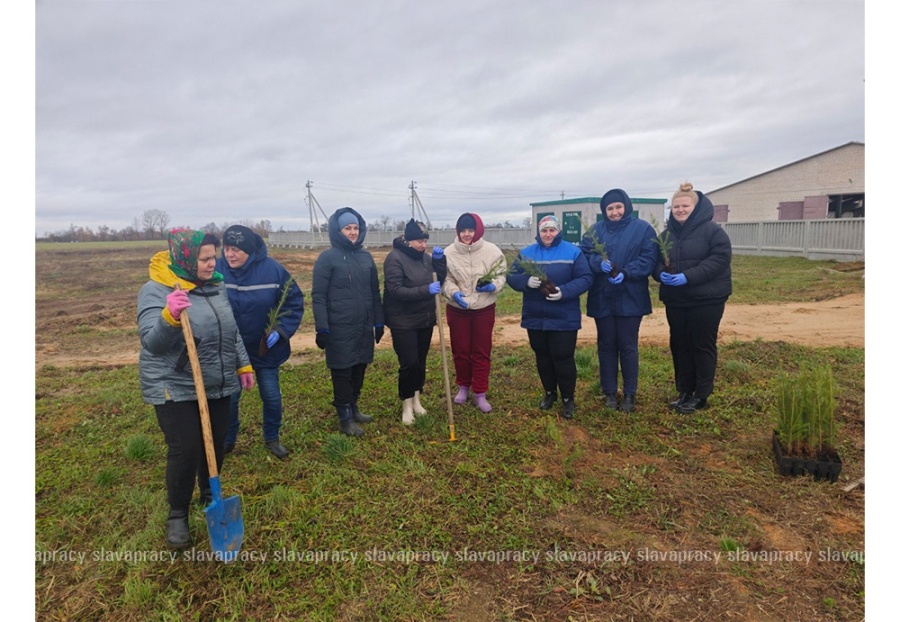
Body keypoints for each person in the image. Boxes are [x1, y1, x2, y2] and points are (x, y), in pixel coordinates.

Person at [137, 228, 254, 549]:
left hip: (216, 379)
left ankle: (209, 495)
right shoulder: (156, 289)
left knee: (215, 443)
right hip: (174, 383)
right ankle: (177, 515)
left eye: (213, 257)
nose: (211, 263)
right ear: (186, 258)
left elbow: (230, 329)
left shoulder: (215, 286)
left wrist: (242, 363)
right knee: (186, 448)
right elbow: (152, 343)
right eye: (204, 258)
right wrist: (169, 315)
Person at [216, 225, 305, 459]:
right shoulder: (216, 271)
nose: (229, 254)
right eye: (226, 249)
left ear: (249, 250)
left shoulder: (273, 270)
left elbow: (293, 301)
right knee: (231, 398)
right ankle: (227, 439)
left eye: (235, 249)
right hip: (231, 350)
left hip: (265, 349)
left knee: (271, 395)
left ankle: (272, 437)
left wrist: (281, 330)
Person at [653, 182, 732, 414]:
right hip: (677, 300)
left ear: (695, 207)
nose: (679, 210)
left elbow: (719, 259)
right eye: (676, 206)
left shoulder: (712, 231)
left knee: (701, 345)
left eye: (684, 206)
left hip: (707, 299)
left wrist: (688, 277)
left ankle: (701, 395)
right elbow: (656, 262)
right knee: (679, 345)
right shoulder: (666, 235)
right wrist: (660, 274)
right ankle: (685, 391)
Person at [580, 189, 658, 413]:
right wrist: (597, 264)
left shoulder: (642, 229)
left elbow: (649, 257)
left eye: (618, 207)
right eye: (610, 208)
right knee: (606, 345)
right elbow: (584, 254)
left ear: (626, 207)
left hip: (630, 297)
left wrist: (626, 272)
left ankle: (630, 393)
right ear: (605, 211)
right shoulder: (596, 230)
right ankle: (610, 392)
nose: (614, 212)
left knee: (627, 345)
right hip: (602, 296)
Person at [507, 215, 592, 418]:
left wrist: (565, 291)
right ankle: (549, 392)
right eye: (544, 230)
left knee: (563, 357)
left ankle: (568, 398)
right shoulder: (527, 253)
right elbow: (511, 276)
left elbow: (586, 277)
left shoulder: (573, 252)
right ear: (539, 232)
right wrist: (525, 281)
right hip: (535, 316)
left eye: (552, 230)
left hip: (564, 316)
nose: (548, 234)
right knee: (542, 357)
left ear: (558, 231)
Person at [311, 207, 385, 436]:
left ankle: (354, 407)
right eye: (347, 228)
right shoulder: (327, 259)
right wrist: (322, 326)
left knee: (360, 366)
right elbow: (318, 296)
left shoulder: (366, 257)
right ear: (338, 230)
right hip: (338, 325)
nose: (352, 232)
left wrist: (378, 321)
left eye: (355, 228)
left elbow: (374, 292)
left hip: (363, 324)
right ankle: (344, 417)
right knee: (342, 370)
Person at [382, 219, 447, 425]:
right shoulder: (394, 258)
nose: (422, 244)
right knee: (409, 363)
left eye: (425, 240)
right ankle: (406, 405)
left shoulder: (426, 258)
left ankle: (417, 400)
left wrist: (439, 262)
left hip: (424, 318)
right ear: (408, 240)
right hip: (402, 320)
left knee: (420, 362)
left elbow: (439, 280)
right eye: (419, 240)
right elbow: (395, 290)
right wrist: (424, 291)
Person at [442, 212, 506, 413]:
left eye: (471, 230)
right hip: (458, 309)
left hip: (483, 309)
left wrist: (492, 286)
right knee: (460, 350)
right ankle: (463, 386)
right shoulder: (449, 252)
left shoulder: (492, 251)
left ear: (478, 230)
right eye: (463, 230)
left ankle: (480, 392)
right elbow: (446, 278)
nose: (467, 234)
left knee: (481, 350)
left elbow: (501, 274)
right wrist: (453, 292)